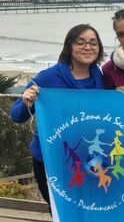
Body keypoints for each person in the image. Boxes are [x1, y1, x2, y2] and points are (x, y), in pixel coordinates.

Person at [10, 24, 106, 207]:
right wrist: (25, 102)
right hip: (50, 160)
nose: (88, 47)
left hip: (86, 161)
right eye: (81, 42)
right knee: (61, 211)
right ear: (69, 46)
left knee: (88, 210)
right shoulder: (48, 77)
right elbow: (16, 116)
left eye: (93, 43)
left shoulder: (98, 76)